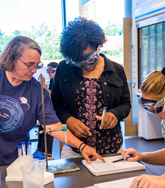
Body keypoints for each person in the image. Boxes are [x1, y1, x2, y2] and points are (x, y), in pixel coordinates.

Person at [0, 35, 105, 166]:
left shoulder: (38, 92)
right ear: (11, 58)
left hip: (15, 160)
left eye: (37, 65)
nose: (34, 70)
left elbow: (54, 126)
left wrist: (82, 146)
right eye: (29, 65)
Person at [51, 17, 131, 158]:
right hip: (75, 147)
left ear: (98, 46)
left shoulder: (116, 70)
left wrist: (115, 114)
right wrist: (68, 119)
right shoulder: (63, 68)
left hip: (112, 146)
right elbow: (55, 103)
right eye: (79, 64)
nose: (86, 67)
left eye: (90, 59)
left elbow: (126, 104)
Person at [34, 62, 58, 160]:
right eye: (47, 71)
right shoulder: (53, 81)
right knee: (42, 125)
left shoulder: (59, 80)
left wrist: (43, 84)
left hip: (60, 112)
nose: (49, 73)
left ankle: (48, 154)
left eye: (51, 70)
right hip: (53, 110)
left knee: (48, 126)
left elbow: (50, 95)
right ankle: (40, 149)